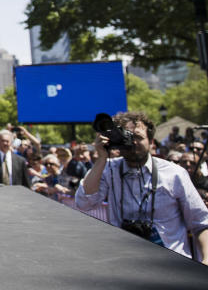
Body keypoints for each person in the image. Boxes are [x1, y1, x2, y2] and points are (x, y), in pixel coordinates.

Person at [76, 111, 208, 263]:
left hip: (172, 267)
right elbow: (83, 203)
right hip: (127, 264)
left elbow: (202, 223)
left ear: (151, 142)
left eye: (138, 137)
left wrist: (205, 261)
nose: (132, 142)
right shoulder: (108, 169)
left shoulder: (175, 174)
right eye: (127, 136)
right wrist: (101, 159)